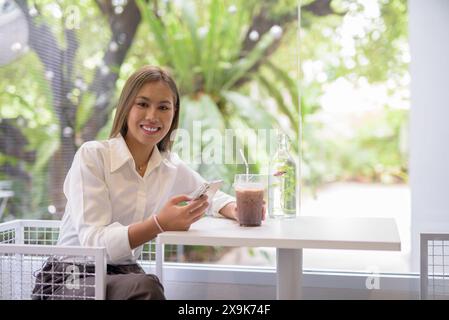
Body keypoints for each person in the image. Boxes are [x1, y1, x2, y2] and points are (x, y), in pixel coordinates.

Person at [31, 65, 258, 300]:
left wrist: (237, 209)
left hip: (122, 276)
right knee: (146, 288)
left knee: (146, 286)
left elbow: (211, 195)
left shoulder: (168, 166)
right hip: (70, 280)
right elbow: (94, 244)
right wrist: (159, 224)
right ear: (126, 106)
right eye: (142, 104)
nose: (152, 116)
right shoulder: (93, 156)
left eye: (163, 107)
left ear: (174, 113)